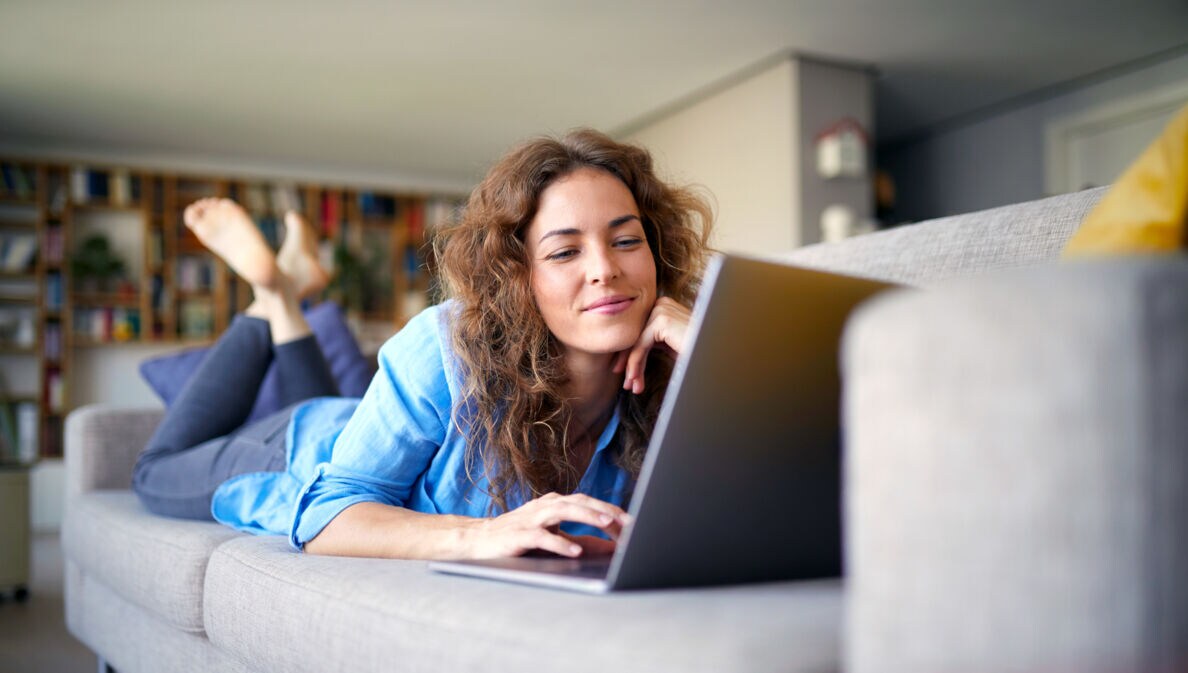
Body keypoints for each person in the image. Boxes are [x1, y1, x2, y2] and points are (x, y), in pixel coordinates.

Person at [131, 128, 714, 560]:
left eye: (627, 241)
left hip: (356, 421)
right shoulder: (448, 344)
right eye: (564, 251)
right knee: (152, 474)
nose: (605, 270)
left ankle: (289, 292)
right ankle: (271, 298)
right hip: (297, 451)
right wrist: (483, 535)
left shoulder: (677, 373)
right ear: (518, 277)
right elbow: (326, 512)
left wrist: (710, 352)